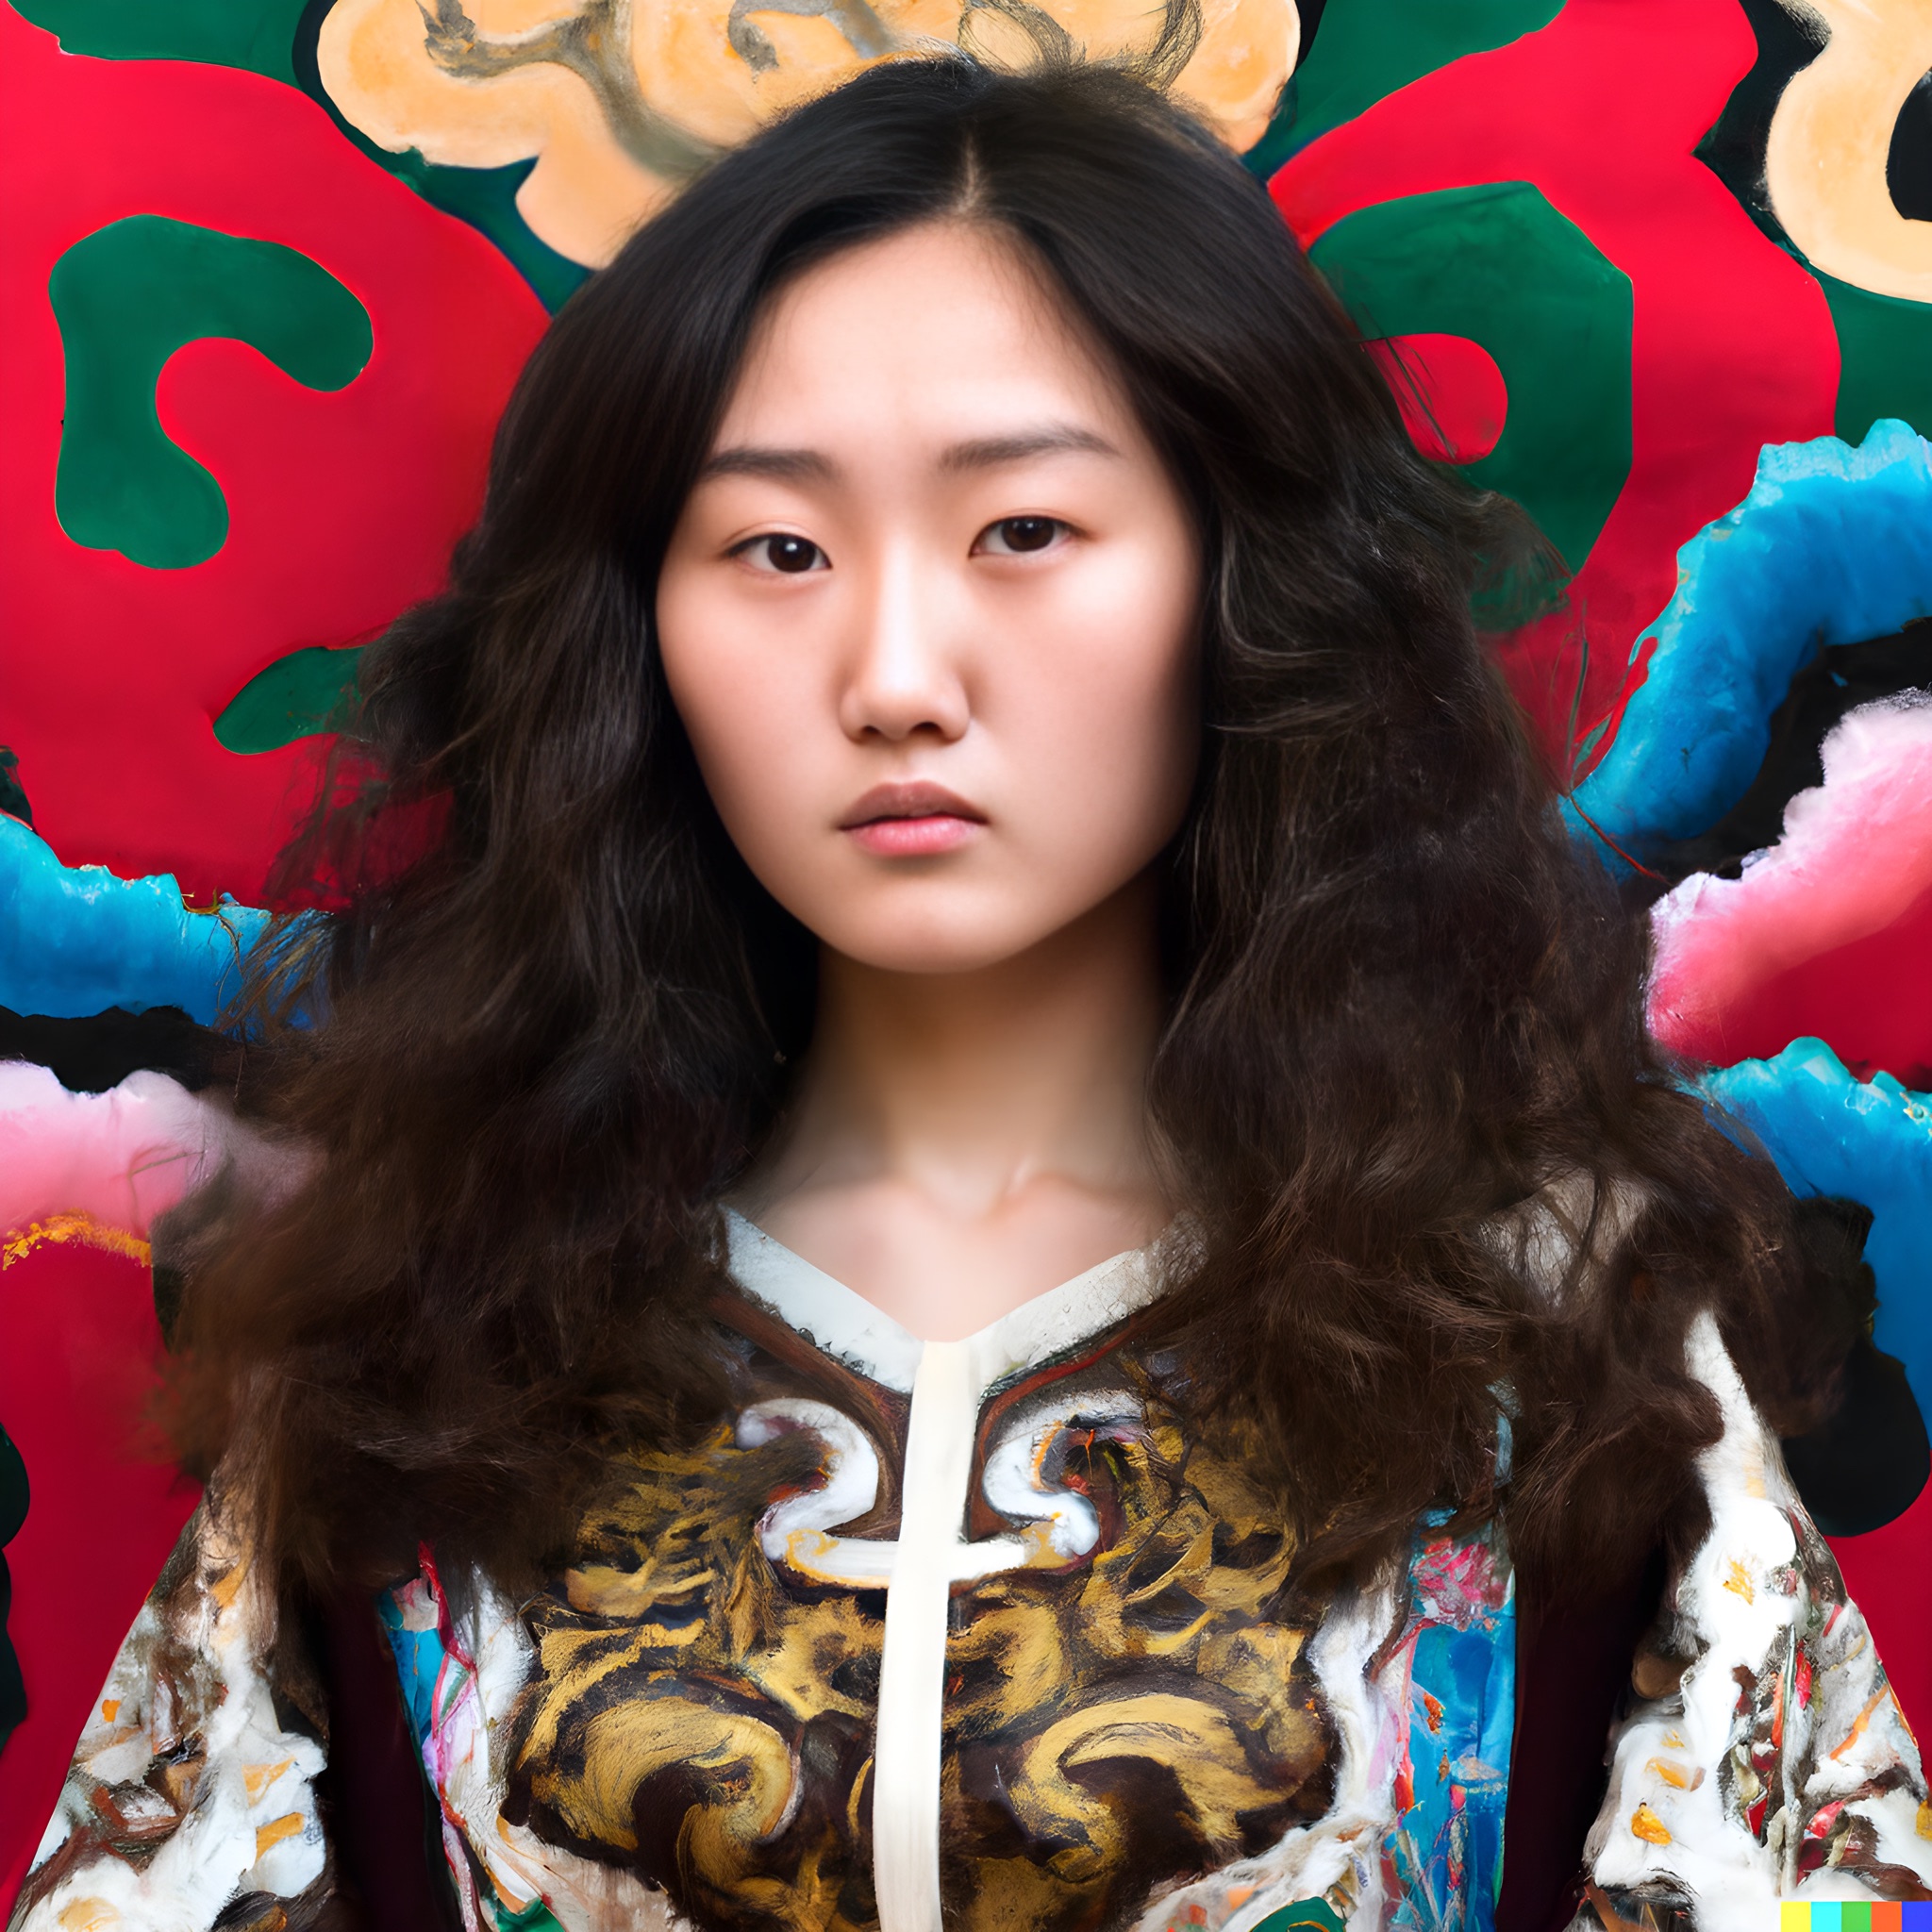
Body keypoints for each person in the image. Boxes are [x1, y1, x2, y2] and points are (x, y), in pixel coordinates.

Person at [12, 56, 1928, 1932]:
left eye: (1023, 530)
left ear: (1238, 585)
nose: (895, 674)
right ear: (637, 636)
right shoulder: (430, 1324)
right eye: (777, 548)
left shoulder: (1547, 1321)